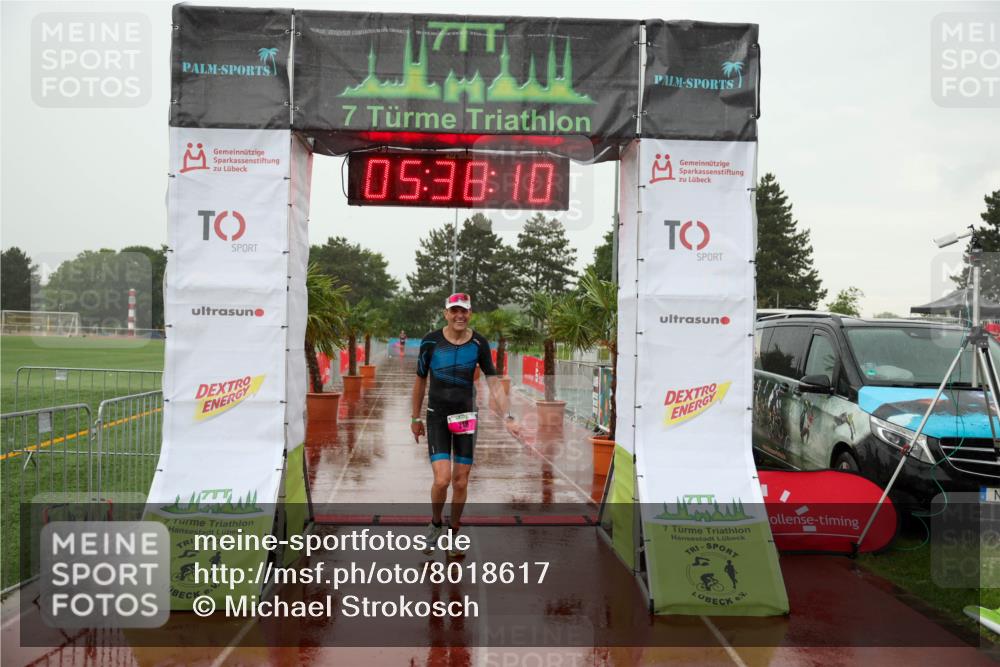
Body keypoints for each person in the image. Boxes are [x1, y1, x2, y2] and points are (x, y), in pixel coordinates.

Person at [410, 292, 515, 557]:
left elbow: (493, 380)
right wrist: (415, 417)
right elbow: (420, 380)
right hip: (437, 415)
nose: (459, 315)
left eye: (464, 311)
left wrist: (509, 416)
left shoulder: (479, 343)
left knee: (460, 481)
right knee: (442, 479)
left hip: (466, 416)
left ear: (470, 314)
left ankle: (453, 532)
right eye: (454, 310)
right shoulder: (430, 342)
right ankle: (435, 523)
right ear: (446, 313)